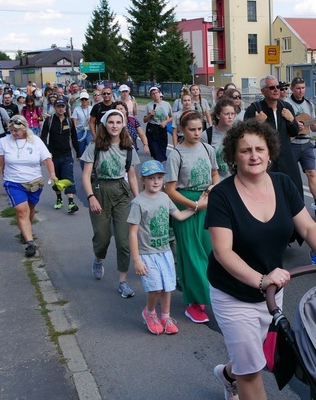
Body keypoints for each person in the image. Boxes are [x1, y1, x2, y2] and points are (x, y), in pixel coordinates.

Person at [207, 119, 316, 400]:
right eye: (245, 150)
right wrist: (261, 279)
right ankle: (239, 377)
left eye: (260, 148)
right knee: (252, 370)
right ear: (233, 155)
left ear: (270, 152)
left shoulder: (282, 184)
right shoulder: (222, 195)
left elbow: (307, 227)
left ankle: (228, 375)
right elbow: (223, 253)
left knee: (253, 357)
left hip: (272, 292)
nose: (254, 155)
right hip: (234, 294)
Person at [127, 160, 208, 335]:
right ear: (143, 180)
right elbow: (132, 233)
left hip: (165, 251)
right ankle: (149, 313)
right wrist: (136, 260)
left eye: (159, 178)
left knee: (167, 286)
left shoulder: (165, 197)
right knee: (155, 288)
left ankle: (165, 316)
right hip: (147, 253)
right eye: (151, 178)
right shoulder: (138, 203)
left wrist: (196, 207)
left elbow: (178, 215)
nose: (156, 182)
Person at [165, 110, 219, 323]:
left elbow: (214, 173)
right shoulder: (176, 154)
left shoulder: (208, 149)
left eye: (199, 129)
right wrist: (195, 205)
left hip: (207, 201)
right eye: (192, 129)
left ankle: (209, 294)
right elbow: (170, 190)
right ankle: (194, 303)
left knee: (209, 251)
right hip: (186, 204)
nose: (197, 133)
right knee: (191, 255)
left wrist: (214, 188)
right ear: (182, 129)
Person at [81, 109, 140, 298]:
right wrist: (91, 197)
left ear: (123, 124)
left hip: (122, 193)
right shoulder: (95, 146)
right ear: (105, 125)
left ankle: (122, 281)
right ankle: (98, 258)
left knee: (124, 240)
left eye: (118, 122)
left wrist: (138, 200)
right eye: (111, 122)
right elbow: (85, 176)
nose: (114, 126)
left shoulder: (128, 146)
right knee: (102, 238)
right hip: (100, 191)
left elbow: (131, 175)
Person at [0, 115, 57, 258]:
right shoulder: (3, 142)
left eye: (16, 130)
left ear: (24, 128)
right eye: (11, 130)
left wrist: (52, 173)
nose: (14, 133)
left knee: (30, 209)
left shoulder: (35, 140)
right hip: (13, 182)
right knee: (21, 211)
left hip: (34, 182)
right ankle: (30, 243)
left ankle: (25, 231)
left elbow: (47, 159)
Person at [244, 76, 302, 195]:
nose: (276, 90)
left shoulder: (286, 107)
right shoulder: (255, 109)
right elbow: (245, 136)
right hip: (266, 160)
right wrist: (257, 122)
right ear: (263, 91)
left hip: (286, 158)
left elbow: (295, 132)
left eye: (278, 87)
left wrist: (291, 120)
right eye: (271, 87)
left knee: (293, 192)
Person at [284, 76, 316, 200]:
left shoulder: (310, 105)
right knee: (290, 175)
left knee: (311, 173)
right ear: (292, 89)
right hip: (292, 143)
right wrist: (294, 125)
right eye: (298, 88)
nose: (301, 91)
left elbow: (313, 127)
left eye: (303, 88)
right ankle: (291, 200)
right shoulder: (285, 104)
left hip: (306, 143)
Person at [40, 97, 81, 213]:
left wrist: (78, 153)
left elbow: (74, 138)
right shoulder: (49, 121)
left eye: (63, 106)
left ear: (66, 107)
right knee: (57, 179)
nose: (61, 109)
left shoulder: (69, 121)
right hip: (54, 155)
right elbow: (43, 137)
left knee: (68, 177)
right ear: (54, 107)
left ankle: (71, 202)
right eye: (58, 106)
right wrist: (46, 153)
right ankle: (59, 198)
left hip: (67, 154)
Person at [202, 98, 239, 181]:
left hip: (236, 180)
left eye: (232, 114)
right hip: (216, 181)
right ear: (218, 115)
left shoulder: (238, 133)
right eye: (226, 114)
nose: (230, 117)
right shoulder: (207, 135)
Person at [142, 86, 172, 163]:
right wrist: (150, 115)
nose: (155, 95)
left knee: (162, 148)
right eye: (152, 94)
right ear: (151, 96)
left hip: (162, 127)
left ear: (159, 93)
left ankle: (159, 164)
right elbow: (145, 120)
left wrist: (165, 122)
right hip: (152, 128)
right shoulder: (149, 105)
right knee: (155, 150)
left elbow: (172, 117)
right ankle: (157, 164)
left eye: (156, 93)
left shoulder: (166, 104)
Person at [72, 91, 93, 160]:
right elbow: (74, 123)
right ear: (80, 100)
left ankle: (91, 167)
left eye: (85, 99)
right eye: (82, 99)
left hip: (89, 131)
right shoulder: (76, 109)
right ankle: (83, 169)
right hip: (80, 131)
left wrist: (91, 119)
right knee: (81, 152)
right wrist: (74, 134)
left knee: (91, 149)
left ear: (88, 100)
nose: (84, 101)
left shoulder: (91, 108)